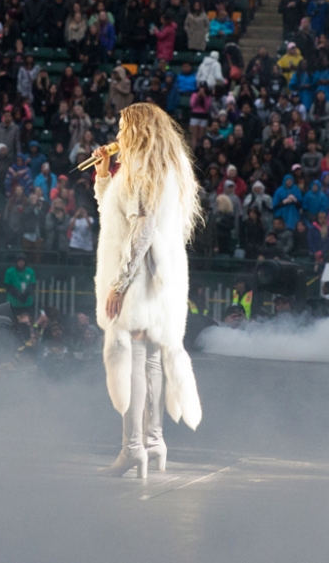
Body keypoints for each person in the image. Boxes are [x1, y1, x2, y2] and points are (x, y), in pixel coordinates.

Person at [93, 102, 203, 479]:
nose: (118, 134)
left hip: (139, 275)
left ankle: (133, 448)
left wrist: (119, 284)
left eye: (123, 126)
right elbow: (117, 215)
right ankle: (154, 441)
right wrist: (104, 177)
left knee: (133, 356)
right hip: (165, 273)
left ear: (136, 130)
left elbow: (139, 232)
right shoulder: (167, 169)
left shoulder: (141, 172)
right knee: (154, 356)